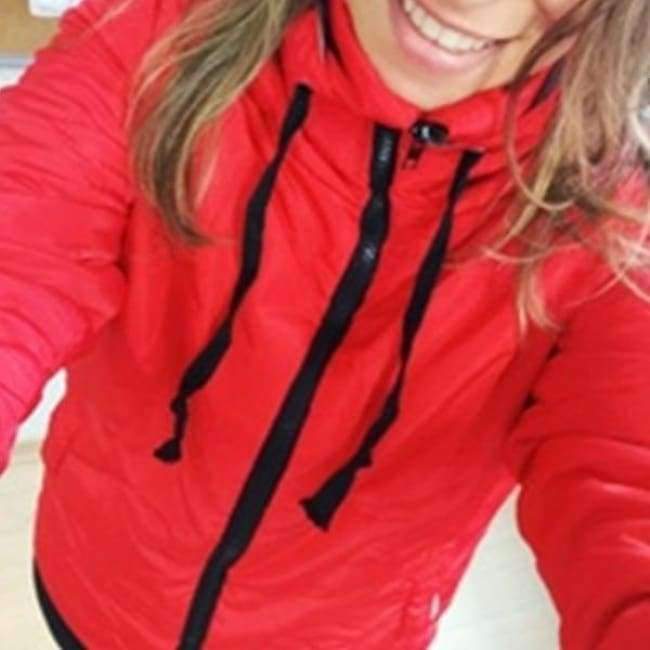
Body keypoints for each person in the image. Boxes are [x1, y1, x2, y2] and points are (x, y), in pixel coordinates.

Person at [0, 0, 649, 647]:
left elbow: (629, 478)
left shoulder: (623, 231)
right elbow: (19, 244)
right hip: (99, 593)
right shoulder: (152, 39)